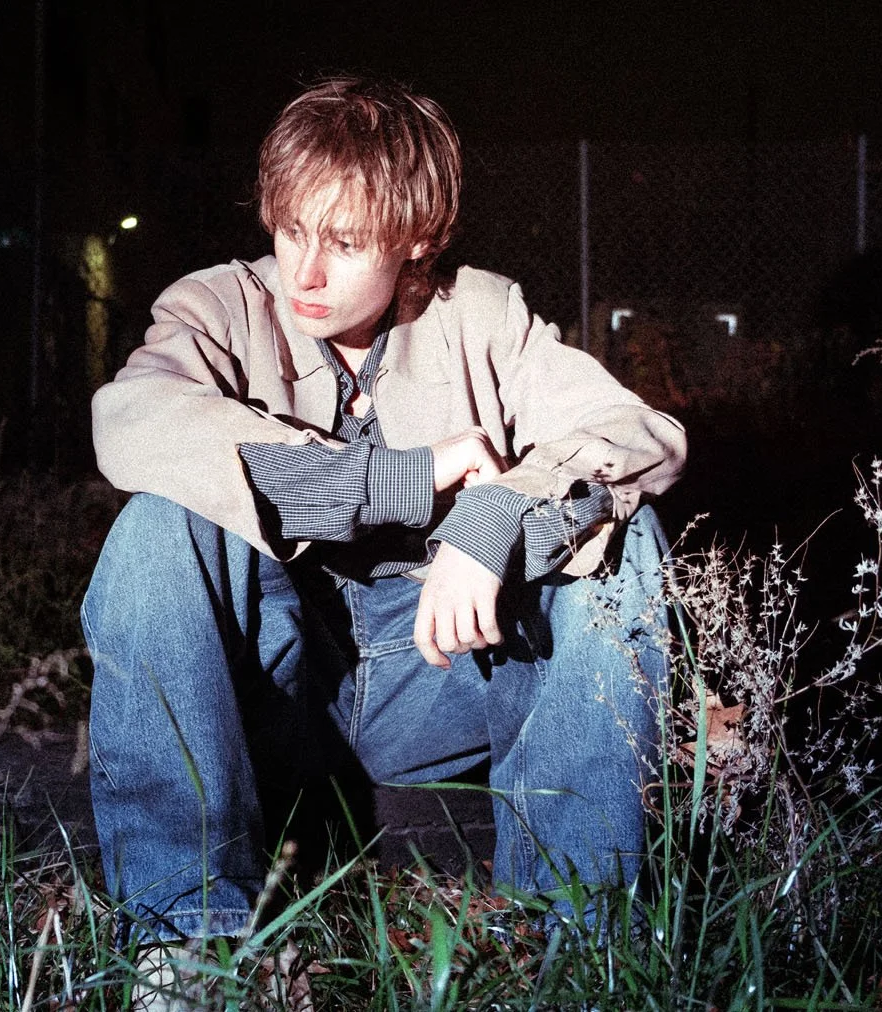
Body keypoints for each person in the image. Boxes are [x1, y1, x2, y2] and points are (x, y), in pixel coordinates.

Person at [80, 76, 687, 957]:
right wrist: (402, 481)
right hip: (284, 688)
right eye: (291, 231)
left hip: (438, 680)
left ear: (415, 241)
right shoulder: (217, 307)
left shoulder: (482, 316)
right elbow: (132, 421)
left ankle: (580, 943)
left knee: (619, 546)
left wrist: (498, 515)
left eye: (345, 241)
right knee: (153, 530)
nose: (306, 272)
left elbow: (637, 434)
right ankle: (186, 940)